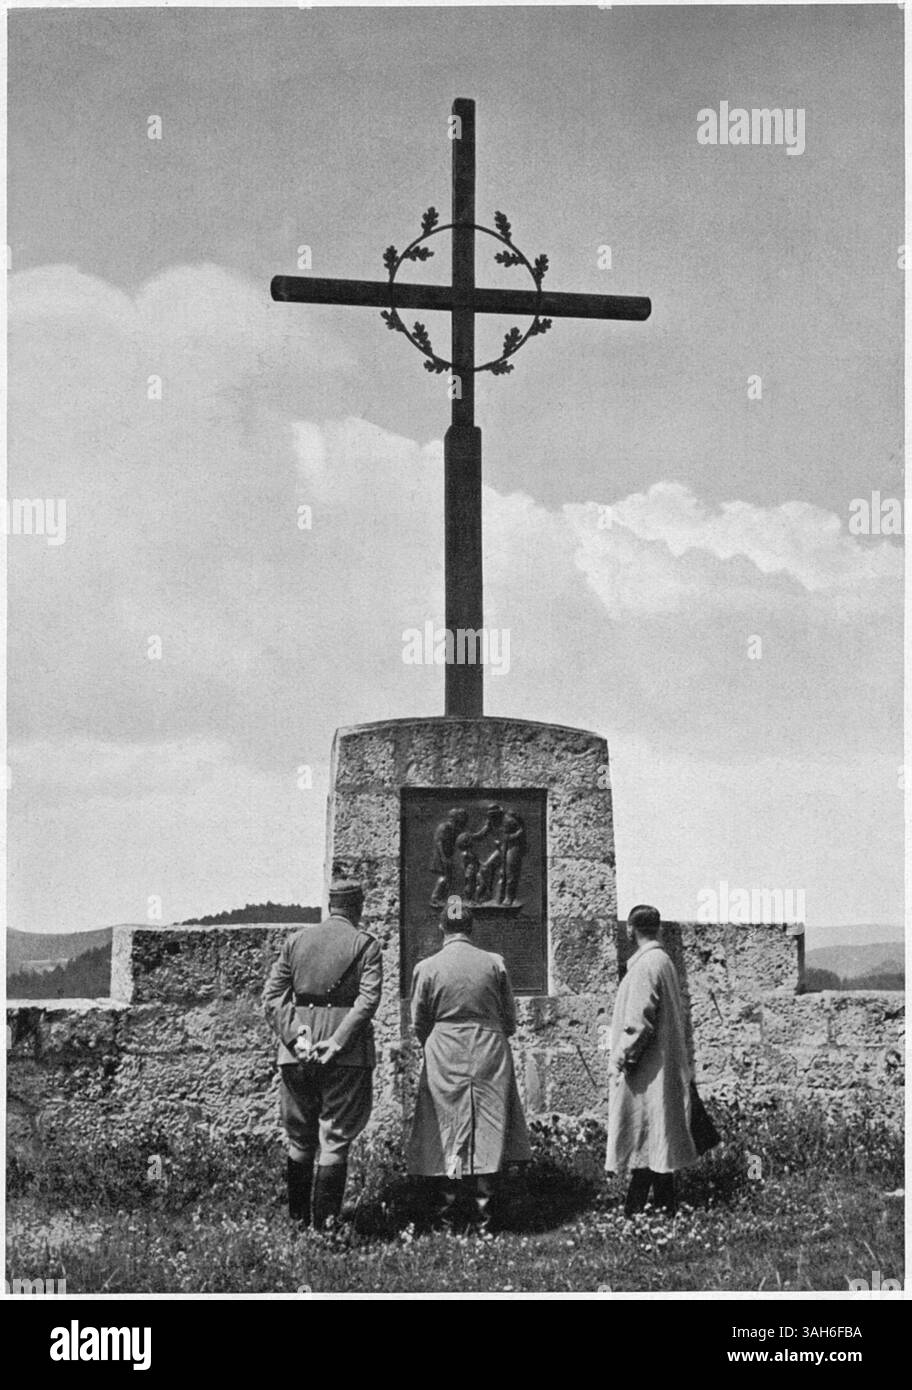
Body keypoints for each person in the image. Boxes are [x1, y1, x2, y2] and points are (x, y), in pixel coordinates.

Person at [262, 879, 382, 1228]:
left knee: (300, 1139)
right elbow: (368, 1001)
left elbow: (273, 998)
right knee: (335, 1140)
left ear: (330, 905)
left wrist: (297, 1039)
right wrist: (338, 1040)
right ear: (357, 907)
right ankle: (326, 1229)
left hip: (296, 1055)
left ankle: (298, 1224)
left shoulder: (296, 942)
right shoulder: (365, 946)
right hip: (346, 1058)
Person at [407, 901, 531, 1227]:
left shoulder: (427, 967)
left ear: (441, 928)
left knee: (449, 1129)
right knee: (488, 1127)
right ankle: (484, 1214)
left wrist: (434, 1043)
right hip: (489, 1048)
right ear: (471, 927)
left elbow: (419, 1021)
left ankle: (450, 1211)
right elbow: (510, 1019)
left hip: (444, 1050)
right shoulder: (494, 963)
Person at [605, 904, 698, 1216]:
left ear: (630, 930)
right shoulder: (664, 961)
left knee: (646, 1134)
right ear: (657, 928)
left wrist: (621, 1058)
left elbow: (638, 1024)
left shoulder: (646, 966)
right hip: (660, 1064)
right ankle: (663, 1206)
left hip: (647, 1068)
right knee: (656, 1137)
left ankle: (637, 1209)